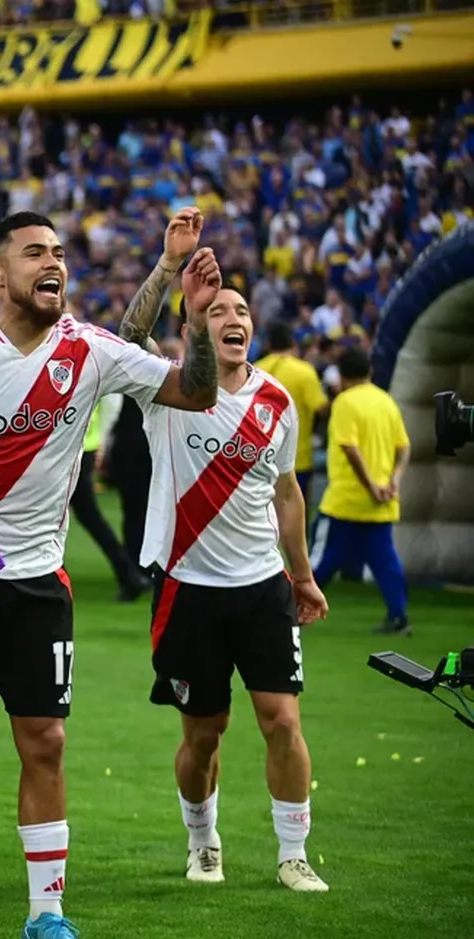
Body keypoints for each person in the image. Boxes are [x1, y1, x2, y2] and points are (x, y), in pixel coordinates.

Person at [0, 210, 220, 939]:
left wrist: (195, 321)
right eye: (34, 252)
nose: (53, 263)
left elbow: (195, 392)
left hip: (40, 583)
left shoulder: (92, 350)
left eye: (60, 253)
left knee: (47, 742)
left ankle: (47, 914)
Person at [139, 289, 331, 892]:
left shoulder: (276, 400)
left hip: (261, 588)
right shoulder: (166, 387)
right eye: (218, 311)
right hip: (188, 590)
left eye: (241, 311)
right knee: (203, 733)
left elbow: (287, 491)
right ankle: (203, 842)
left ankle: (294, 854)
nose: (234, 319)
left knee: (282, 722)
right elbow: (128, 327)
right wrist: (172, 268)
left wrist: (301, 575)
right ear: (195, 325)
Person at [309, 346, 411, 635]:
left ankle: (290, 611)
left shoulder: (345, 402)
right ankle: (399, 616)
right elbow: (404, 447)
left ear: (341, 377)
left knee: (321, 560)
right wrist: (394, 481)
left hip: (348, 499)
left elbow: (349, 448)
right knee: (385, 561)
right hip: (382, 501)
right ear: (370, 371)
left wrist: (369, 486)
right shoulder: (386, 401)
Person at [68, 392, 149, 600]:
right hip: (81, 445)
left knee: (88, 515)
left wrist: (103, 439)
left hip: (74, 446)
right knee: (88, 515)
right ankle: (129, 575)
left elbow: (113, 400)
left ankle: (129, 575)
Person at [255, 322, 329, 507]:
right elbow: (321, 408)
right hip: (298, 458)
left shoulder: (254, 369)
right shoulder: (304, 371)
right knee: (295, 512)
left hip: (257, 457)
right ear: (293, 344)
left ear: (269, 345)